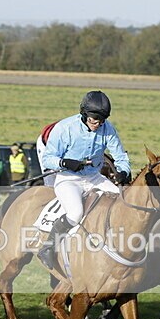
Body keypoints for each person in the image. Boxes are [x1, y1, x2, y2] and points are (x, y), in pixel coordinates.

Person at [37, 90, 131, 269]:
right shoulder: (65, 128)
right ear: (84, 115)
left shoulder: (107, 128)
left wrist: (123, 172)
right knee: (75, 213)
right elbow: (48, 158)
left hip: (94, 178)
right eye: (93, 120)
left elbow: (121, 157)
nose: (97, 124)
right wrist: (64, 162)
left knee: (121, 205)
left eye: (101, 121)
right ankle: (48, 248)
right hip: (68, 179)